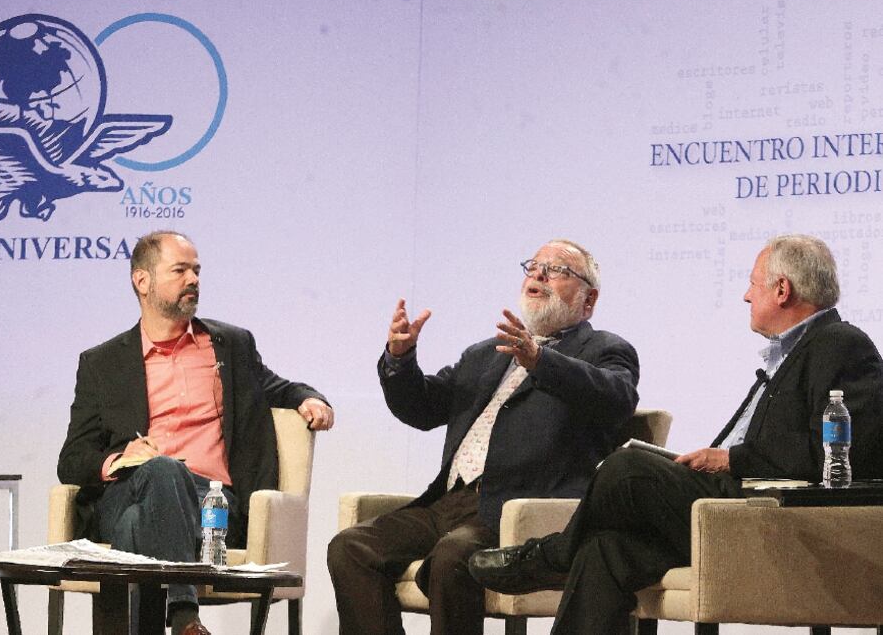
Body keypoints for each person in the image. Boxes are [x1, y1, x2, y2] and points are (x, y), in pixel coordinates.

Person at [470, 233, 883, 634]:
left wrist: (732, 459)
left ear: (781, 290)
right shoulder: (794, 352)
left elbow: (845, 456)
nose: (745, 296)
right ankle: (566, 555)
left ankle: (552, 555)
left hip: (763, 512)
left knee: (626, 467)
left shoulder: (841, 345)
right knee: (604, 549)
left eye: (752, 285)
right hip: (725, 505)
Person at [327, 239, 640, 635]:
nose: (539, 275)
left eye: (557, 270)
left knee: (451, 557)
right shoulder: (485, 353)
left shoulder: (605, 350)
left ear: (588, 299)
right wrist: (400, 360)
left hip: (517, 510)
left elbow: (617, 399)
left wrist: (541, 361)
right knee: (351, 548)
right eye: (533, 266)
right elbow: (423, 410)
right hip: (447, 503)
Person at [57, 230, 334, 635]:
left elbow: (277, 386)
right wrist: (122, 459)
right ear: (142, 281)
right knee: (161, 472)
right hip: (127, 488)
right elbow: (71, 460)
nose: (194, 279)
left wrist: (310, 398)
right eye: (180, 270)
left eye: (197, 270)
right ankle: (184, 615)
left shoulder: (230, 345)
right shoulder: (102, 363)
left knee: (137, 524)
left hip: (212, 505)